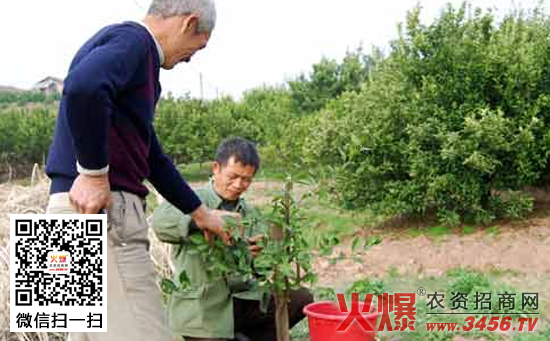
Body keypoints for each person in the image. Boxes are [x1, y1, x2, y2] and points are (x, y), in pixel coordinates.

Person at [44, 1, 231, 340]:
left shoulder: (120, 50)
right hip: (102, 212)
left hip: (63, 209)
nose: (191, 58)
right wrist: (94, 173)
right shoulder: (135, 42)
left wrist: (199, 212)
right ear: (189, 23)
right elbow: (83, 87)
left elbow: (151, 157)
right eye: (198, 46)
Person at [153, 137, 313, 341]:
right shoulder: (192, 200)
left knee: (300, 298)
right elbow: (160, 223)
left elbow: (263, 267)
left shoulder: (250, 213)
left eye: (246, 179)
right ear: (216, 168)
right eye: (234, 176)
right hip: (204, 308)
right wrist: (202, 220)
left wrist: (260, 253)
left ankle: (250, 335)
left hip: (242, 300)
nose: (239, 184)